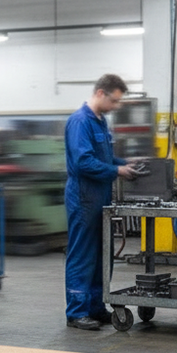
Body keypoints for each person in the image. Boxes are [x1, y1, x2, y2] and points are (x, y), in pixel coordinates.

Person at [64, 74, 142, 330]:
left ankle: (96, 307)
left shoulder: (101, 122)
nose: (116, 106)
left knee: (102, 254)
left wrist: (124, 163)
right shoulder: (80, 122)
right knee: (83, 255)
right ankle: (76, 312)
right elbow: (83, 162)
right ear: (100, 93)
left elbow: (104, 157)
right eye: (115, 101)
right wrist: (116, 172)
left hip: (101, 197)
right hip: (84, 197)